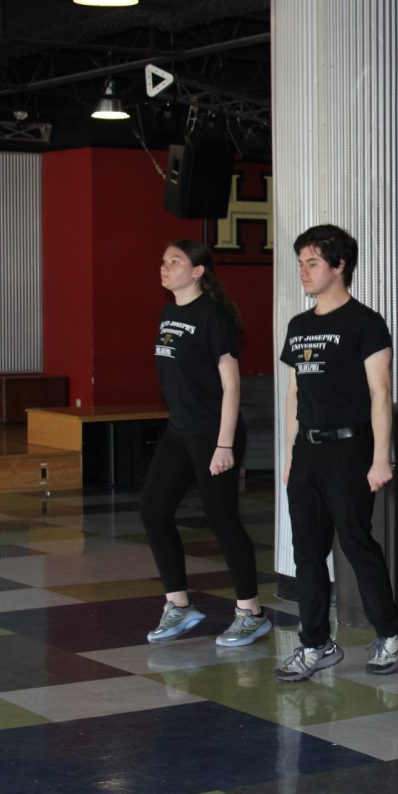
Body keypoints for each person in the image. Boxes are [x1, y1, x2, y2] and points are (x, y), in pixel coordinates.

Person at [275, 224, 398, 681]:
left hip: (351, 449)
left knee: (355, 541)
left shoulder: (365, 323)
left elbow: (380, 392)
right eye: (301, 263)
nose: (304, 272)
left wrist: (380, 456)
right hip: (307, 451)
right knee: (307, 552)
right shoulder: (299, 326)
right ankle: (315, 644)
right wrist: (291, 453)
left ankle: (391, 631)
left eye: (313, 263)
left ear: (339, 266)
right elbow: (294, 394)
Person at [141, 240, 271, 647]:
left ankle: (251, 613)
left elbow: (231, 385)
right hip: (180, 430)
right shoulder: (168, 312)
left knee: (223, 520)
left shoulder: (213, 316)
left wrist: (225, 444)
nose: (165, 267)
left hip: (215, 432)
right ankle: (178, 606)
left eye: (175, 261)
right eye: (163, 261)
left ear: (197, 271)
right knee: (153, 511)